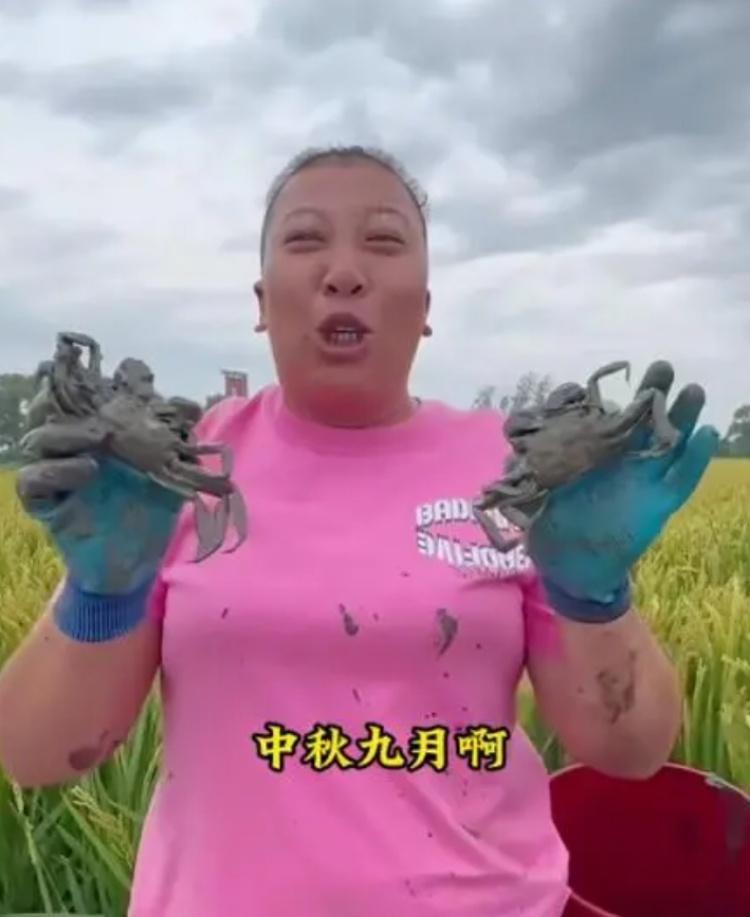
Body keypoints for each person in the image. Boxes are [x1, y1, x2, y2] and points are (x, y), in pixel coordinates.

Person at [0, 145, 719, 916]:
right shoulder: (178, 473)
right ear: (261, 299)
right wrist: (102, 595)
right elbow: (34, 753)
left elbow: (632, 750)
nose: (344, 272)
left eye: (382, 241)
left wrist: (592, 593)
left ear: (427, 305)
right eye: (305, 239)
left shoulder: (513, 469)